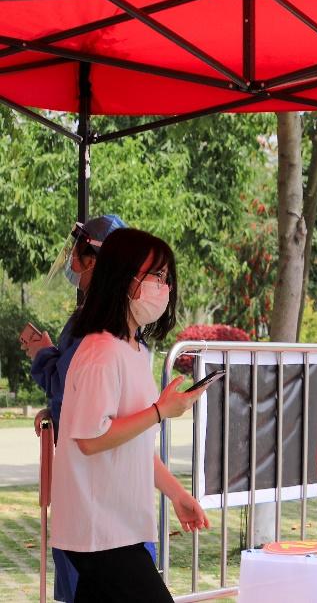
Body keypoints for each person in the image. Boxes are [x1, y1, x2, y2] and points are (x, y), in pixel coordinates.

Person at [49, 228, 210, 602]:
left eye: (166, 278)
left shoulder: (135, 351)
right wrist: (160, 411)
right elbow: (91, 439)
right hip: (99, 531)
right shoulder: (101, 352)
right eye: (156, 276)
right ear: (122, 277)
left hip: (118, 527)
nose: (163, 287)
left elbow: (132, 443)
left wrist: (177, 494)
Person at [20, 215, 128, 603]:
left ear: (96, 262)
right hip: (89, 469)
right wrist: (55, 410)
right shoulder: (102, 317)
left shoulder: (100, 323)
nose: (72, 264)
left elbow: (71, 383)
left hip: (92, 474)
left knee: (90, 571)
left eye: (79, 256)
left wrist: (42, 354)